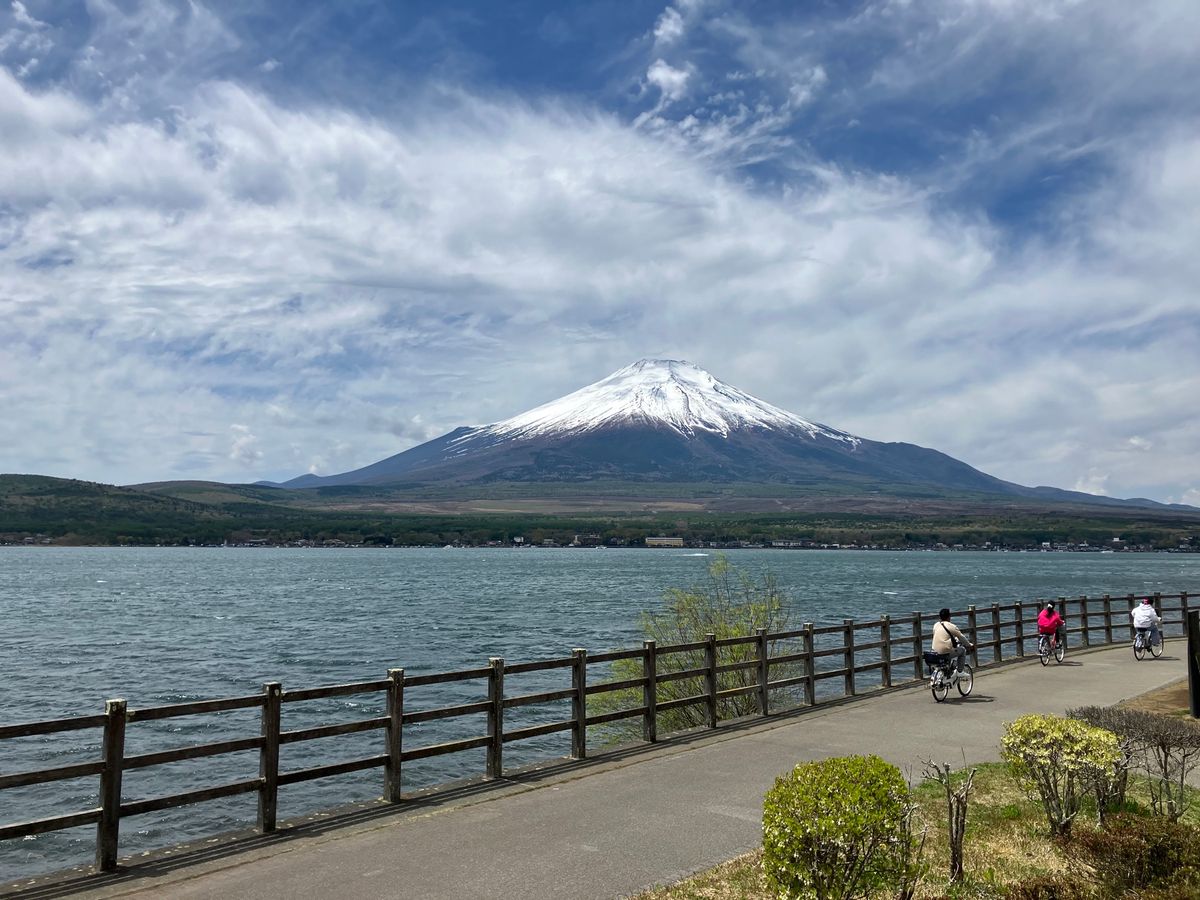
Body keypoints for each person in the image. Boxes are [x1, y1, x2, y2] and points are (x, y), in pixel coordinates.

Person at [931, 607, 973, 672]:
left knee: (948, 649)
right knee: (962, 650)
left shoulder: (936, 625)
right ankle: (960, 671)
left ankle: (947, 672)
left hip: (934, 652)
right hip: (945, 653)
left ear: (940, 617)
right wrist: (969, 645)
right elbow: (961, 637)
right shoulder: (951, 626)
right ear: (949, 617)